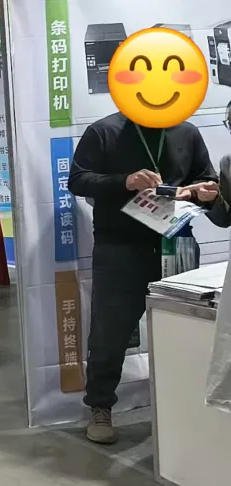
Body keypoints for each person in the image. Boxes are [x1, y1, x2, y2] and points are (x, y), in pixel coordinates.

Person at [69, 111, 218, 445]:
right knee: (109, 333)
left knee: (185, 330)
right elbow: (78, 180)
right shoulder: (104, 131)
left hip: (177, 244)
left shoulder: (187, 132)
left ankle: (184, 408)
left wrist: (200, 192)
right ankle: (100, 406)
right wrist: (125, 181)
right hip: (119, 248)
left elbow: (206, 180)